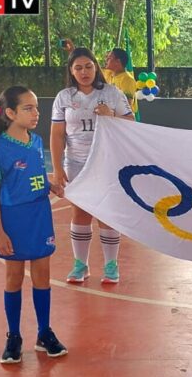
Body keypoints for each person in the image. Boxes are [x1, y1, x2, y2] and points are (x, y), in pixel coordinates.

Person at [0, 86, 67, 364]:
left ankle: (44, 333)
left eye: (37, 108)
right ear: (10, 113)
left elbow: (36, 176)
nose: (36, 113)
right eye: (28, 108)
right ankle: (14, 336)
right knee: (14, 277)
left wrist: (50, 186)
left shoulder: (36, 141)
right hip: (13, 220)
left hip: (39, 216)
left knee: (43, 275)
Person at [50, 47, 134, 284]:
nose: (84, 71)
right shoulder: (64, 97)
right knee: (80, 212)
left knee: (107, 213)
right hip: (76, 163)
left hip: (107, 162)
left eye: (88, 66)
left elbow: (131, 123)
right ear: (71, 71)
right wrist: (57, 168)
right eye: (78, 67)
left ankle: (110, 265)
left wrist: (111, 116)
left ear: (96, 67)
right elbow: (57, 135)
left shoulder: (112, 93)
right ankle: (81, 265)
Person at [103, 48, 138, 114]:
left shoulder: (128, 80)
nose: (106, 60)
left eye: (109, 58)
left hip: (123, 119)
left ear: (118, 62)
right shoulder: (108, 74)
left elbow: (127, 104)